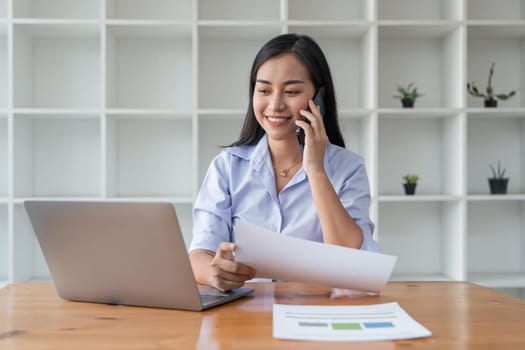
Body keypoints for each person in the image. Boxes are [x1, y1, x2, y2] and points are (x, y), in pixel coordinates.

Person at [189, 33, 378, 292]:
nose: (275, 105)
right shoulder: (227, 167)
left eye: (291, 91)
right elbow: (199, 253)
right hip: (245, 316)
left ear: (319, 98)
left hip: (317, 313)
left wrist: (315, 170)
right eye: (264, 90)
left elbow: (348, 261)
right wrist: (215, 273)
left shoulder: (348, 169)